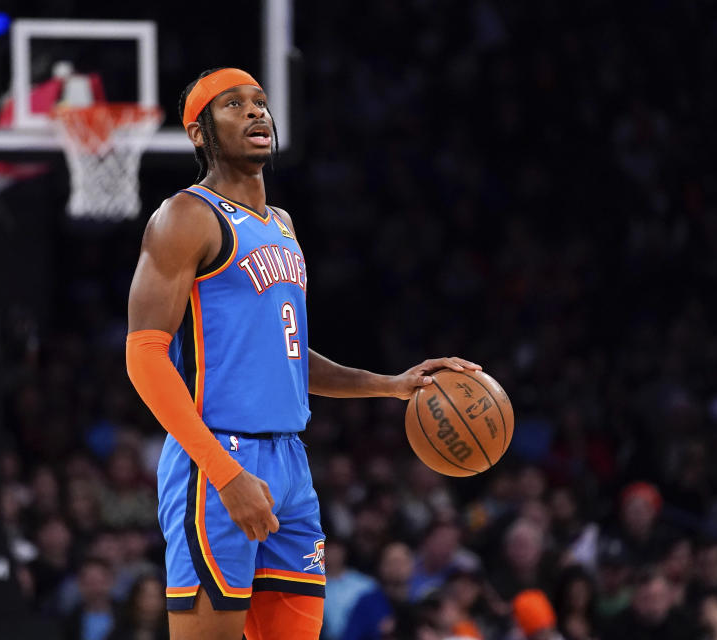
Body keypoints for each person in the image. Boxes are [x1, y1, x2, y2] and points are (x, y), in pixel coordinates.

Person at [125, 66, 481, 640]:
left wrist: (390, 385)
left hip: (291, 461)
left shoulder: (283, 226)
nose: (255, 112)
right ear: (199, 133)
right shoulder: (186, 217)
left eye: (260, 102)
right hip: (219, 457)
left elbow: (287, 357)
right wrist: (224, 474)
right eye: (233, 105)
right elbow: (143, 356)